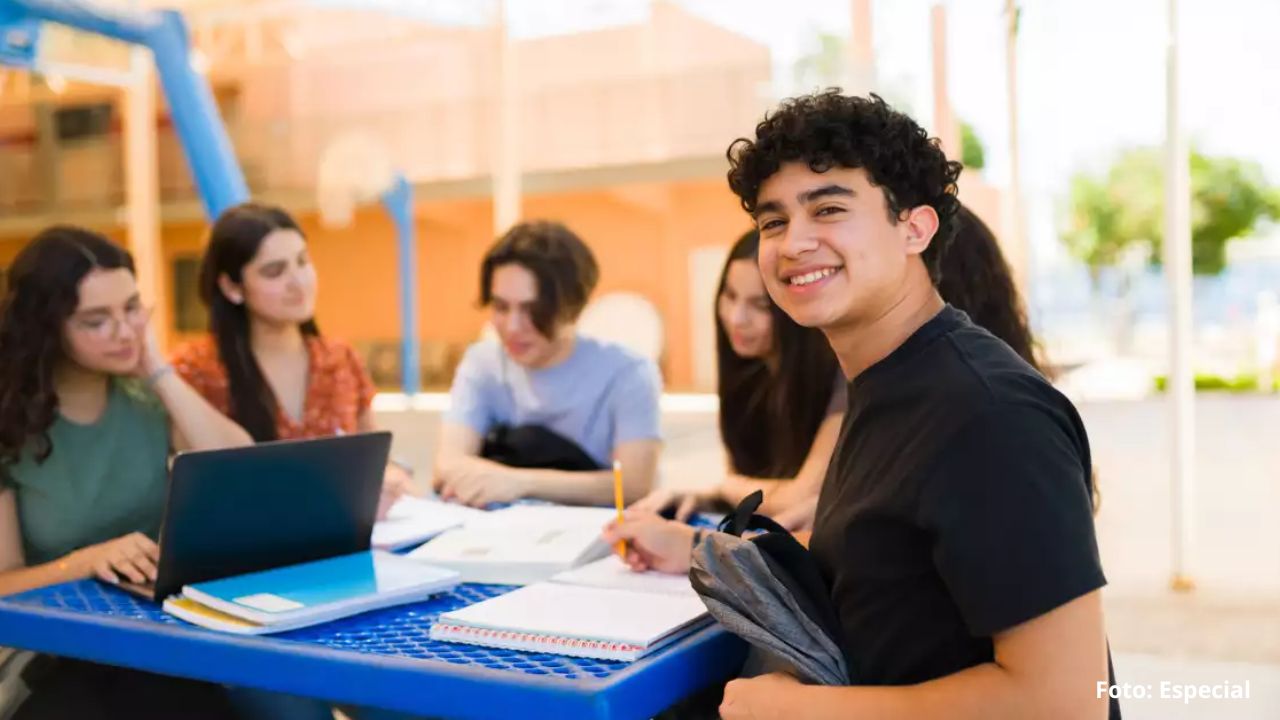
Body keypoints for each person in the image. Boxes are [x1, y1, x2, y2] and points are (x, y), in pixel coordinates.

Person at [604, 91, 1118, 720]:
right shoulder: (885, 382)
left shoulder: (989, 415)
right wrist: (693, 549)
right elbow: (875, 555)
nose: (794, 243)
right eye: (772, 222)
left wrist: (804, 710)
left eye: (829, 209)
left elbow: (1063, 702)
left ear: (915, 227)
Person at [0, 226, 251, 719]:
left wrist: (157, 369)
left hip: (153, 636)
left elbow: (239, 468)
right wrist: (90, 560)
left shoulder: (145, 402)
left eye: (133, 309)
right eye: (96, 320)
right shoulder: (10, 423)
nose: (125, 332)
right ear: (46, 328)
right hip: (49, 651)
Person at [171, 203, 411, 516]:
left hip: (343, 543)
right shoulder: (195, 369)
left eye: (302, 261)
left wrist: (389, 478)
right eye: (275, 271)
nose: (298, 282)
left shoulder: (340, 358)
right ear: (231, 287)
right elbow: (203, 482)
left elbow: (374, 457)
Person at [433, 220, 662, 508]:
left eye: (533, 310)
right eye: (501, 307)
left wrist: (516, 482)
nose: (513, 327)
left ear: (573, 307)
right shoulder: (483, 363)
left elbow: (633, 486)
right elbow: (447, 466)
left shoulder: (628, 373)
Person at [632, 229, 844, 522]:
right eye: (730, 296)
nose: (736, 318)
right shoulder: (749, 378)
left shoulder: (842, 378)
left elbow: (800, 498)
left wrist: (726, 488)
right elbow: (757, 493)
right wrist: (701, 498)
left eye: (761, 306)